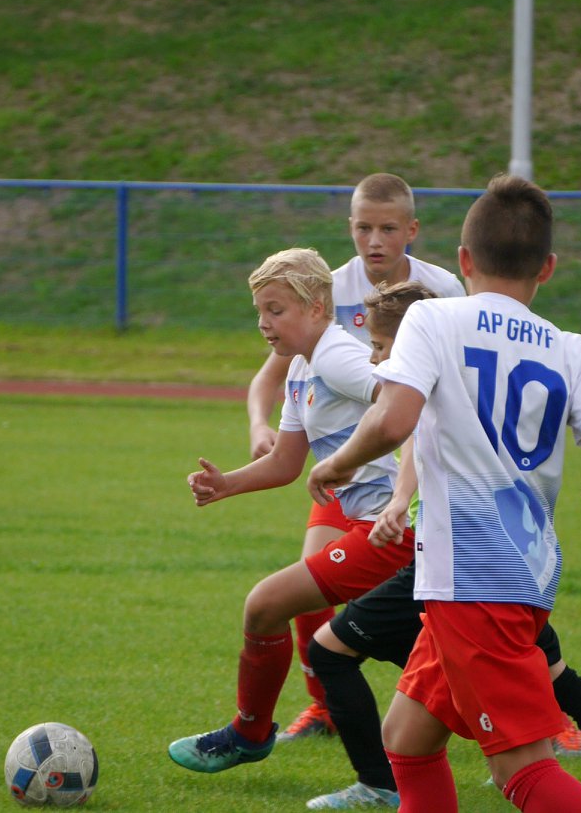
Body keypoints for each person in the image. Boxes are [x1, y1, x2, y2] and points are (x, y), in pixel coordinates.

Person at [308, 175, 581, 813]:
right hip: (519, 576)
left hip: (472, 582)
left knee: (523, 770)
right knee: (406, 739)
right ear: (546, 268)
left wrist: (341, 464)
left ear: (463, 261)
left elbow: (393, 418)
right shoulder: (570, 348)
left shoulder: (434, 318)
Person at [169, 247, 417, 774]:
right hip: (367, 523)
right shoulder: (304, 367)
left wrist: (362, 466)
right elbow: (286, 461)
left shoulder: (336, 357)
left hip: (389, 527)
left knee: (266, 605)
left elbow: (403, 400)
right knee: (436, 656)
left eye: (275, 310)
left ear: (317, 305)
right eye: (259, 312)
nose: (263, 324)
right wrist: (225, 485)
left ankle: (250, 733)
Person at [244, 173, 464, 744]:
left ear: (411, 231)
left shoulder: (442, 292)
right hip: (339, 476)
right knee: (313, 601)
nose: (374, 240)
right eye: (363, 227)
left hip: (393, 473)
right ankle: (326, 710)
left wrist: (399, 489)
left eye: (387, 228)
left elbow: (414, 400)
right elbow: (280, 370)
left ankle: (533, 703)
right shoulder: (324, 287)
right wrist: (260, 424)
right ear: (350, 228)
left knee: (460, 608)